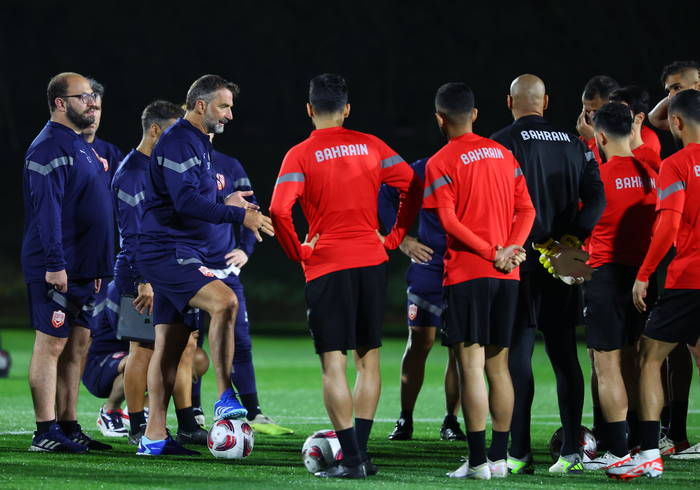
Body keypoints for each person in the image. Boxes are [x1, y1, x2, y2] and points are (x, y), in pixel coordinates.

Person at [269, 73, 423, 478]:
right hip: (372, 261)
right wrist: (394, 237)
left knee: (333, 365)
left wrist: (299, 252)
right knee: (368, 360)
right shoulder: (372, 145)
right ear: (347, 109)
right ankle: (360, 454)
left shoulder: (299, 155)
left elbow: (279, 210)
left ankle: (351, 459)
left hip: (327, 265)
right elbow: (413, 185)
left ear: (309, 109)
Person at [136, 75, 273, 456]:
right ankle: (225, 397)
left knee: (169, 346)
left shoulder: (197, 142)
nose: (230, 114)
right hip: (167, 250)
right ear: (201, 105)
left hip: (178, 249)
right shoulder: (181, 140)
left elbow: (190, 196)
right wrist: (238, 215)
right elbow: (184, 202)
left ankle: (153, 438)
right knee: (225, 301)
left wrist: (227, 200)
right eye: (224, 106)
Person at [490, 74, 605, 475]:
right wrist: (572, 238)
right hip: (564, 261)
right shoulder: (574, 143)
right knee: (565, 354)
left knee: (518, 354)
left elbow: (501, 202)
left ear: (509, 102)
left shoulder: (501, 142)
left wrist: (532, 242)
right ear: (546, 102)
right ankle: (571, 452)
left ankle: (519, 454)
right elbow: (597, 196)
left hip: (520, 258)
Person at [423, 83, 536, 480]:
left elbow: (450, 221)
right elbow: (527, 209)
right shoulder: (504, 154)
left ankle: (476, 463)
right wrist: (511, 250)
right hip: (508, 275)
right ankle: (500, 459)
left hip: (469, 273)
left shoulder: (440, 161)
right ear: (474, 114)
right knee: (498, 368)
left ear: (440, 119)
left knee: (470, 367)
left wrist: (492, 252)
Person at [607, 88, 700, 480]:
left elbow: (668, 225)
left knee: (648, 358)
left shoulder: (677, 164)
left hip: (689, 278)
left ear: (675, 123)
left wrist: (644, 274)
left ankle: (648, 452)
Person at [22, 72, 114, 452]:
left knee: (77, 347)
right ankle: (45, 432)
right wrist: (55, 263)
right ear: (61, 103)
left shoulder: (80, 144)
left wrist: (96, 266)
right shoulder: (48, 146)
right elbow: (48, 212)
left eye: (93, 96)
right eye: (83, 97)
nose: (92, 103)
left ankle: (68, 425)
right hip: (58, 267)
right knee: (50, 345)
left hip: (84, 269)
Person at [581, 102, 658, 471]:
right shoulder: (653, 175)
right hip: (644, 278)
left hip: (606, 276)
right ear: (631, 130)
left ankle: (618, 451)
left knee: (607, 363)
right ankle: (642, 447)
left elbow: (581, 228)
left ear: (599, 137)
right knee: (635, 361)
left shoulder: (600, 177)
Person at [202, 144, 293, 435]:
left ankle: (253, 412)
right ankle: (192, 413)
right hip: (189, 268)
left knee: (240, 341)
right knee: (188, 342)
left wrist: (245, 249)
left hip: (225, 271)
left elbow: (252, 208)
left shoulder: (229, 164)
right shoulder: (177, 161)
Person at [109, 100, 184, 444]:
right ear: (155, 130)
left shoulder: (153, 167)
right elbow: (132, 234)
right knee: (141, 350)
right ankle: (138, 426)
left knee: (162, 348)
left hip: (157, 271)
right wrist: (143, 280)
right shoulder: (133, 172)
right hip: (140, 274)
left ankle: (160, 423)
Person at [378, 159, 465, 442]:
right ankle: (405, 418)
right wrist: (400, 238)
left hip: (466, 267)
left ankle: (451, 421)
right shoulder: (426, 167)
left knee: (460, 348)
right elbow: (384, 193)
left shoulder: (480, 164)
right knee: (419, 342)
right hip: (428, 268)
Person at [81, 285, 131, 437]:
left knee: (183, 359)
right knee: (141, 361)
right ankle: (110, 411)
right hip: (98, 363)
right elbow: (131, 334)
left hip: (126, 355)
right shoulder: (117, 290)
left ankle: (144, 408)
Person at [577, 75, 661, 164]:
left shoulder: (647, 138)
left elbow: (611, 166)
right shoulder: (585, 136)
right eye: (587, 111)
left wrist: (594, 141)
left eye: (597, 111)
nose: (592, 117)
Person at [609, 86, 662, 171]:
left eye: (621, 112)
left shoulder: (650, 161)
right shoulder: (607, 153)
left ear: (639, 118)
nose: (612, 117)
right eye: (611, 111)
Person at [648, 61, 700, 132]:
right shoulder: (687, 120)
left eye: (677, 88)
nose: (669, 98)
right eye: (668, 92)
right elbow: (654, 118)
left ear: (698, 86)